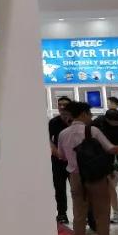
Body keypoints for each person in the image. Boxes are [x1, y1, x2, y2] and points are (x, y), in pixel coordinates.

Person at [56, 101, 118, 235]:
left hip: (75, 177)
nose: (91, 117)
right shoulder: (92, 130)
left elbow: (61, 156)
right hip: (96, 176)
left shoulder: (63, 133)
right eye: (90, 114)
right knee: (102, 213)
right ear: (83, 114)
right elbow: (110, 149)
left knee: (79, 214)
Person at [49, 96, 72, 226]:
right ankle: (62, 214)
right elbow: (49, 140)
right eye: (60, 104)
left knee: (77, 189)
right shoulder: (53, 122)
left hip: (74, 161)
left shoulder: (74, 121)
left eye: (65, 104)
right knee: (59, 188)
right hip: (58, 160)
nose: (62, 107)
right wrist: (55, 151)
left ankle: (83, 214)